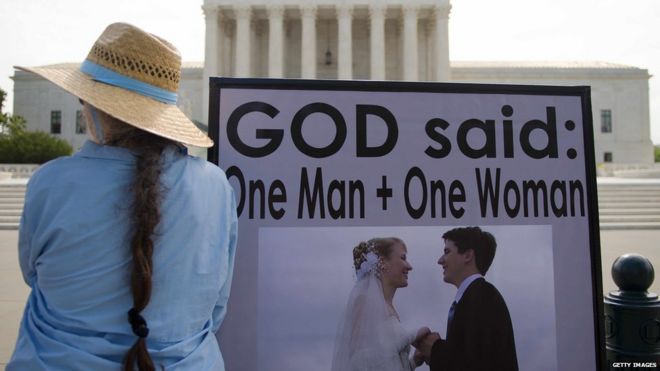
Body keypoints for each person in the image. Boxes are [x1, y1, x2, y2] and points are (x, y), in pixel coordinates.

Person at [7, 23, 238, 371]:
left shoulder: (51, 182)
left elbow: (35, 275)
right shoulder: (216, 186)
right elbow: (216, 305)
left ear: (97, 108)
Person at [416, 227, 518, 371]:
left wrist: (435, 349)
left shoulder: (484, 297)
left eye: (447, 251)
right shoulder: (477, 297)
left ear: (468, 255)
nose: (440, 260)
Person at [331, 237, 430, 371]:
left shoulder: (389, 307)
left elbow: (385, 363)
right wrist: (413, 335)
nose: (409, 266)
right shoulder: (364, 301)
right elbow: (359, 360)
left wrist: (413, 363)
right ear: (383, 262)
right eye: (403, 258)